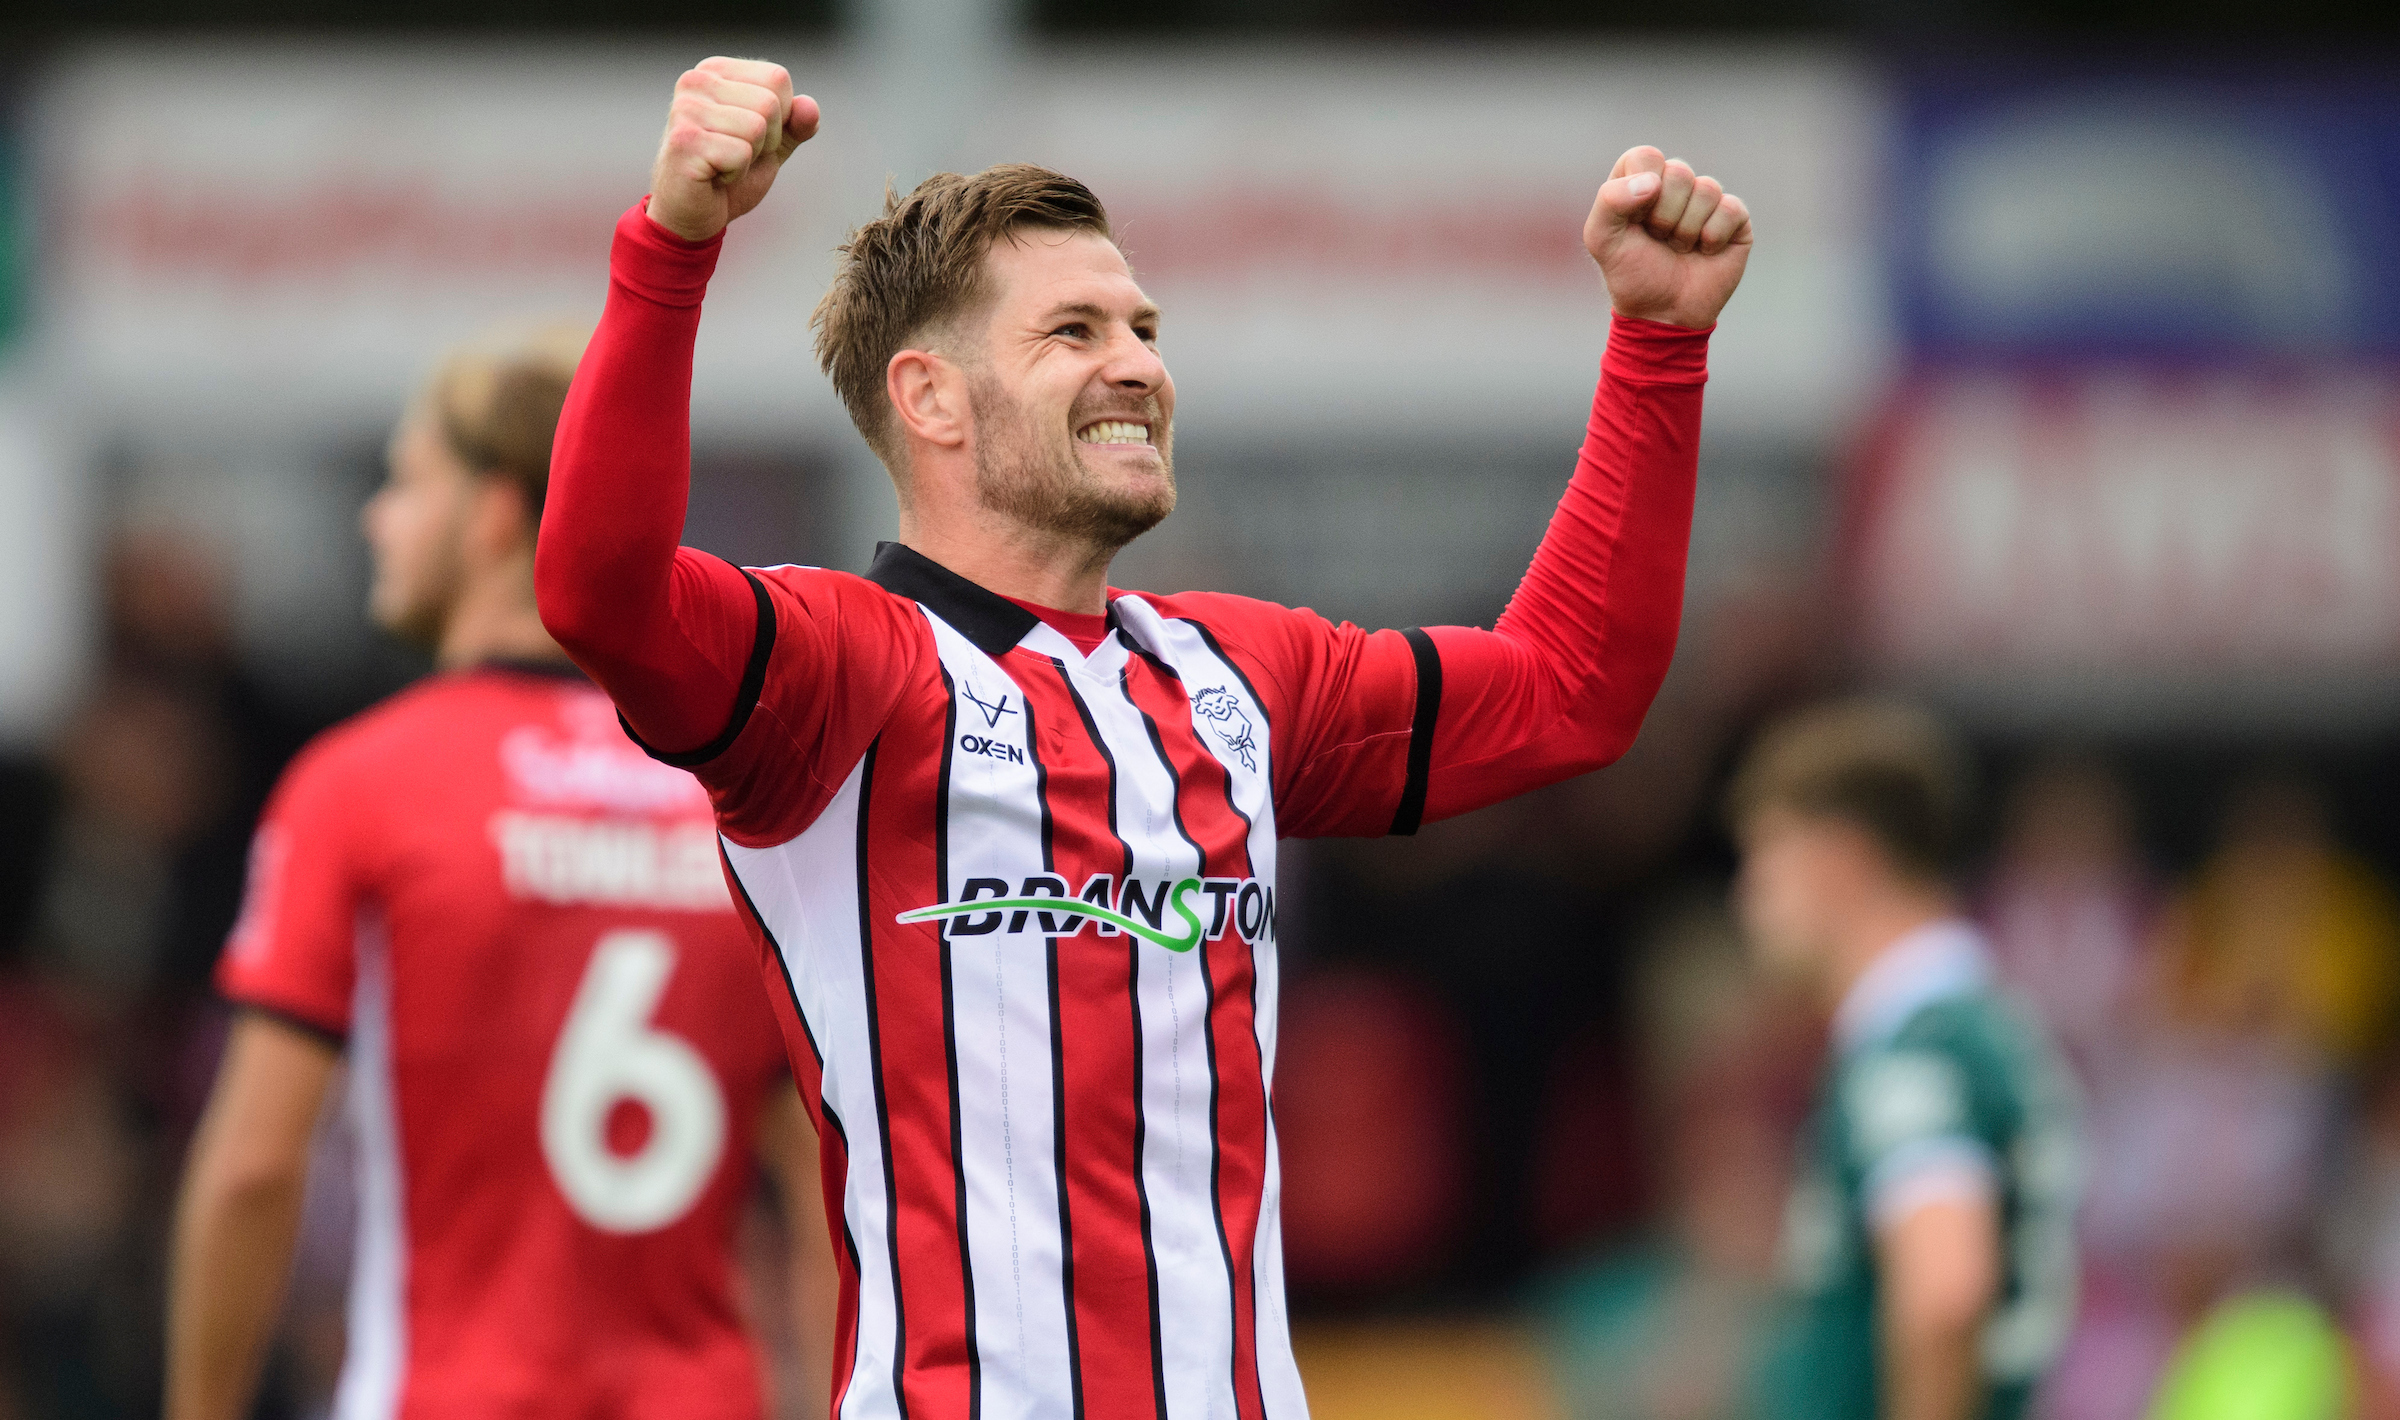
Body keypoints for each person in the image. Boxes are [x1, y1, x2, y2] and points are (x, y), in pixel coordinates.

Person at [536, 55, 1751, 1418]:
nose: (1138, 366)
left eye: (1145, 328)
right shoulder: (844, 673)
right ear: (930, 397)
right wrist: (674, 245)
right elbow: (598, 592)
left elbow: (1566, 688)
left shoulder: (1236, 668)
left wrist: (1658, 342)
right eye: (1074, 333)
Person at [166, 327, 834, 1420]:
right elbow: (824, 1182)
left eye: (406, 481)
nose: (377, 517)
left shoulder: (362, 785)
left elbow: (252, 1165)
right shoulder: (731, 808)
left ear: (489, 512)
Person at [1726, 700, 2080, 1420]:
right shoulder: (1978, 1024)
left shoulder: (1918, 1048)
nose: (1749, 897)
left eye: (1766, 855)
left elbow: (1945, 1289)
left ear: (1841, 858)